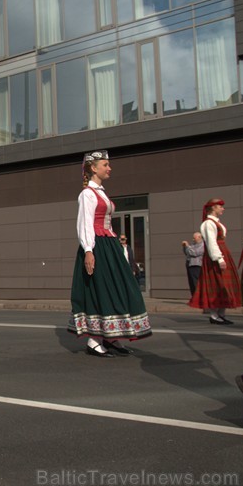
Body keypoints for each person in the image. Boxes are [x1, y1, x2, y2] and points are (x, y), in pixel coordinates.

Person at [68, 150, 152, 358]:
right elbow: (85, 224)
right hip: (97, 245)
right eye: (105, 164)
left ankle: (111, 336)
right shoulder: (87, 194)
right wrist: (89, 250)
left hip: (109, 244)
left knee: (119, 287)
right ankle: (94, 340)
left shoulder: (101, 192)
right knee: (101, 289)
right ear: (93, 168)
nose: (109, 168)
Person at [189, 199, 242, 324]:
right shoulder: (208, 224)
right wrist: (219, 258)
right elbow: (211, 242)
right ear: (213, 208)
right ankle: (214, 315)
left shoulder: (216, 222)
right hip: (216, 256)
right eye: (220, 207)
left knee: (224, 285)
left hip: (222, 253)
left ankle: (221, 314)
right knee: (217, 284)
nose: (223, 209)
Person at [181, 232, 204, 297]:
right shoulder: (193, 245)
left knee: (196, 282)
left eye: (194, 238)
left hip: (196, 265)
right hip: (189, 264)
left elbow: (194, 253)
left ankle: (198, 297)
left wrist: (188, 246)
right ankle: (193, 297)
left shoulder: (203, 245)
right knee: (191, 282)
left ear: (199, 237)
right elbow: (187, 253)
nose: (193, 239)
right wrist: (184, 247)